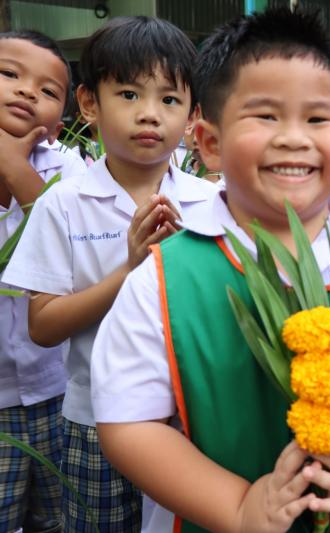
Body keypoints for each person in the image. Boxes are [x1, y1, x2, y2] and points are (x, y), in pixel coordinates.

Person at [88, 8, 330, 532]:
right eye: (265, 116)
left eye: (316, 119)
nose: (294, 137)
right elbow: (129, 423)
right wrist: (237, 506)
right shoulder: (164, 279)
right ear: (209, 143)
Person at [2, 16, 218, 532]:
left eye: (170, 99)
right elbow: (43, 325)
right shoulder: (64, 203)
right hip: (96, 418)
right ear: (89, 104)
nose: (149, 113)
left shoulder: (213, 202)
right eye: (128, 94)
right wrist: (130, 269)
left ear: (193, 117)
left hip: (190, 418)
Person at [0, 30, 86, 533]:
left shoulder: (69, 169)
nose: (27, 91)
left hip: (56, 391)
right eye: (8, 74)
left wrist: (14, 166)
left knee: (59, 519)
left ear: (60, 121)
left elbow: (71, 252)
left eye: (48, 90)